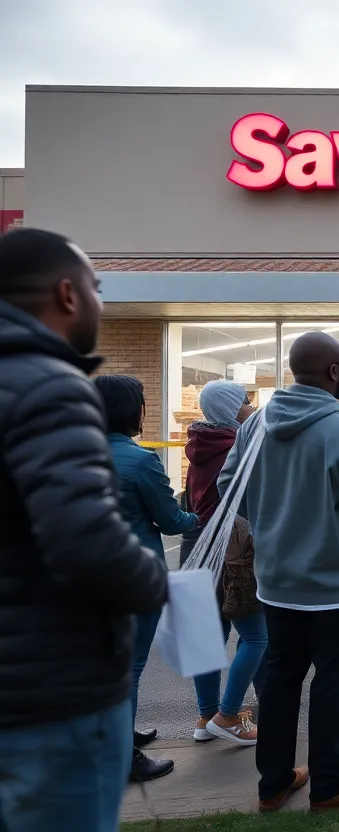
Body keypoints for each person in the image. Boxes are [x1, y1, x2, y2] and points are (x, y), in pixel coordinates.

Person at [0, 227, 168, 832]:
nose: (101, 302)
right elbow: (90, 550)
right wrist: (155, 577)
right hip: (48, 700)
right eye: (97, 289)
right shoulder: (48, 386)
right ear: (67, 295)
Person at [219, 331, 339, 812]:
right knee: (333, 684)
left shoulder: (256, 424)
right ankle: (331, 784)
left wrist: (273, 526)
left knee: (278, 681)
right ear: (335, 372)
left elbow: (227, 484)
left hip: (277, 583)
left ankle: (273, 783)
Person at [95, 374, 200, 781]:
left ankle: (118, 736)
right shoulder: (140, 460)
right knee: (129, 669)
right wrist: (199, 515)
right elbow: (171, 521)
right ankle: (124, 758)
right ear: (131, 411)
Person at [183, 380, 266, 747]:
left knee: (209, 637)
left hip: (197, 551)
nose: (250, 408)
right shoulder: (240, 448)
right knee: (256, 636)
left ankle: (205, 716)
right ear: (234, 409)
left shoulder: (197, 447)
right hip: (234, 554)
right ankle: (229, 714)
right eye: (246, 402)